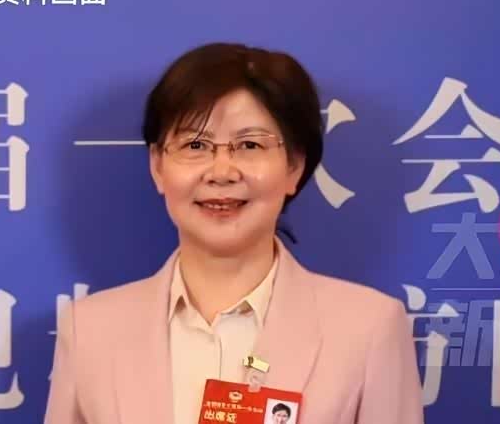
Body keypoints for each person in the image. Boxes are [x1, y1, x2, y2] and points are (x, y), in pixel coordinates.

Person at [44, 42, 424, 424]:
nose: (222, 172)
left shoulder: (369, 329)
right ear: (158, 166)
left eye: (250, 145)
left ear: (294, 166)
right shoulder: (89, 330)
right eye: (196, 144)